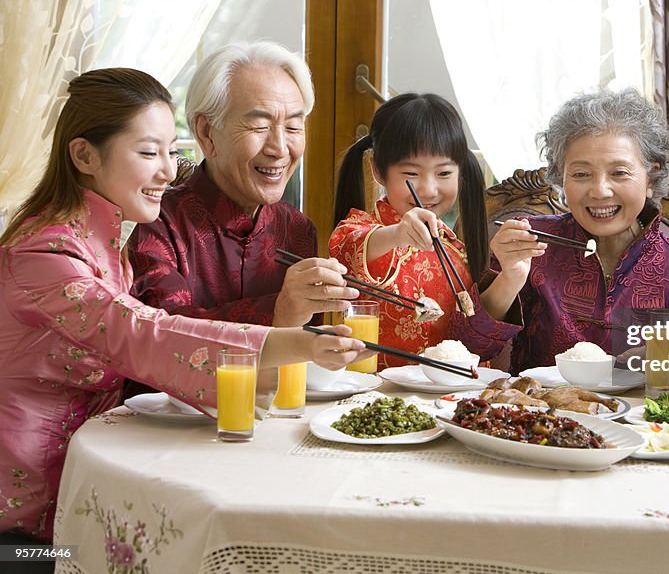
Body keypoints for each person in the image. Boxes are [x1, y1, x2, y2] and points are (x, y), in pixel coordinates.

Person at [0, 69, 368, 543]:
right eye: (149, 152)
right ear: (84, 154)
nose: (169, 171)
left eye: (172, 153)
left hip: (93, 482)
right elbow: (143, 333)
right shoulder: (46, 254)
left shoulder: (101, 242)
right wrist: (295, 341)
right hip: (24, 515)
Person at [451, 88, 669, 373]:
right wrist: (510, 278)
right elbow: (467, 348)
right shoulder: (530, 244)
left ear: (651, 177)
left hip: (644, 417)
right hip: (543, 413)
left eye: (619, 173)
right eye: (581, 174)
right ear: (560, 177)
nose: (600, 191)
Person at [129, 42, 356, 327]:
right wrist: (278, 311)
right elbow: (161, 335)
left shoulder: (296, 230)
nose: (280, 148)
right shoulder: (156, 223)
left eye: (293, 127)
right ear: (206, 133)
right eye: (260, 126)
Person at [329, 93, 489, 367]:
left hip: (452, 397)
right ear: (378, 170)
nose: (428, 189)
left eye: (444, 174)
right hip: (377, 395)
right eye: (411, 174)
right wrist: (397, 234)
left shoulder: (456, 247)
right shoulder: (362, 228)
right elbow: (348, 250)